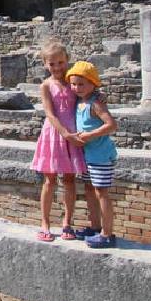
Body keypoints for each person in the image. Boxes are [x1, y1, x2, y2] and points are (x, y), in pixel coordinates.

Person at [30, 40, 86, 242]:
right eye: (52, 64)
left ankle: (67, 223)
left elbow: (88, 95)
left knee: (70, 180)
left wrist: (101, 97)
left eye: (60, 63)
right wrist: (65, 133)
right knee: (50, 180)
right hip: (54, 133)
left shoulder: (73, 81)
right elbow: (50, 114)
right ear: (45, 64)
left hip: (73, 133)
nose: (57, 67)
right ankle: (45, 223)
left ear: (67, 60)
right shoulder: (46, 85)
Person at [67, 61, 119, 249]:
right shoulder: (79, 102)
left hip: (100, 155)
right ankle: (95, 226)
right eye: (74, 84)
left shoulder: (95, 103)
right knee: (89, 190)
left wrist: (89, 135)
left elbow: (111, 125)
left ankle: (107, 233)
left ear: (92, 84)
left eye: (81, 84)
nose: (77, 88)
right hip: (87, 155)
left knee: (101, 192)